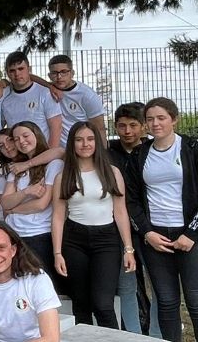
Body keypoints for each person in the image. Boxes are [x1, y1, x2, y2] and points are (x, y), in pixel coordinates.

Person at [126, 97, 198, 342]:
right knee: (166, 302)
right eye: (150, 119)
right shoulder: (139, 154)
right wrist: (147, 232)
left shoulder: (194, 148)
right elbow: (132, 200)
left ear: (174, 119)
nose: (155, 124)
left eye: (161, 118)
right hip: (157, 239)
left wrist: (191, 233)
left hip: (194, 239)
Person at [51, 122, 135, 328]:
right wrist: (57, 253)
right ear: (72, 144)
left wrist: (128, 249)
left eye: (90, 139)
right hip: (74, 240)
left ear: (97, 142)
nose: (85, 144)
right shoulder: (63, 177)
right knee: (81, 304)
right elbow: (58, 217)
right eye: (79, 140)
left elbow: (121, 211)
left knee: (103, 304)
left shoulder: (112, 172)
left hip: (106, 240)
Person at [107, 102, 158, 337]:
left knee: (158, 285)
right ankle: (134, 335)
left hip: (151, 226)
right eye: (122, 125)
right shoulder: (108, 152)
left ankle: (158, 334)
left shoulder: (153, 150)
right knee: (127, 284)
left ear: (144, 127)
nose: (127, 131)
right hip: (120, 228)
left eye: (133, 125)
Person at [1, 122, 65, 282]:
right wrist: (26, 192)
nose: (21, 141)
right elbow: (5, 203)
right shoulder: (16, 168)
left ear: (36, 134)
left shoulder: (53, 164)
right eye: (16, 139)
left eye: (25, 136)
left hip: (39, 235)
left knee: (41, 285)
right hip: (14, 234)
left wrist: (14, 209)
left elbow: (41, 204)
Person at [1, 51, 63, 148]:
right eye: (12, 71)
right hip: (19, 157)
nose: (17, 74)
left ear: (29, 69)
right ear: (7, 73)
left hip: (43, 153)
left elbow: (56, 127)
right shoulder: (5, 100)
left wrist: (49, 154)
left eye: (21, 69)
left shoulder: (45, 93)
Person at [46, 55, 105, 147]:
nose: (59, 76)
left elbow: (100, 128)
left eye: (64, 72)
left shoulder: (87, 95)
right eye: (54, 73)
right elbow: (29, 77)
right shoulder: (47, 90)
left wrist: (103, 156)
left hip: (81, 148)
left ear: (72, 73)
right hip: (57, 149)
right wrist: (48, 85)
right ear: (49, 76)